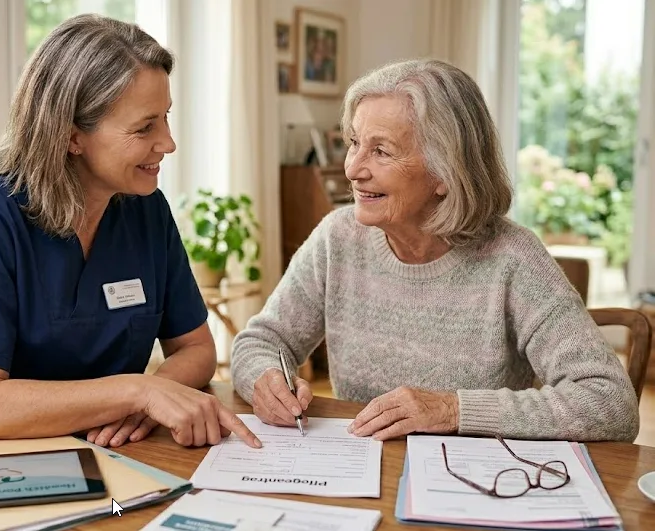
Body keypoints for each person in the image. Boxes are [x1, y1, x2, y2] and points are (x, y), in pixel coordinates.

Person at [0, 14, 261, 453]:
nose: (168, 142)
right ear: (71, 137)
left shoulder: (145, 210)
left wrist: (153, 396)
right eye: (145, 127)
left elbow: (197, 348)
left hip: (96, 453)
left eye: (165, 118)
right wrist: (136, 392)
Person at [230, 59, 639, 443]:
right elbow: (260, 342)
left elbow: (610, 401)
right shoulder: (338, 237)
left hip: (476, 488)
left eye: (381, 150)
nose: (353, 168)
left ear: (446, 172)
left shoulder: (513, 259)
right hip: (361, 471)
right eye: (354, 143)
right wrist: (264, 378)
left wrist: (453, 410)